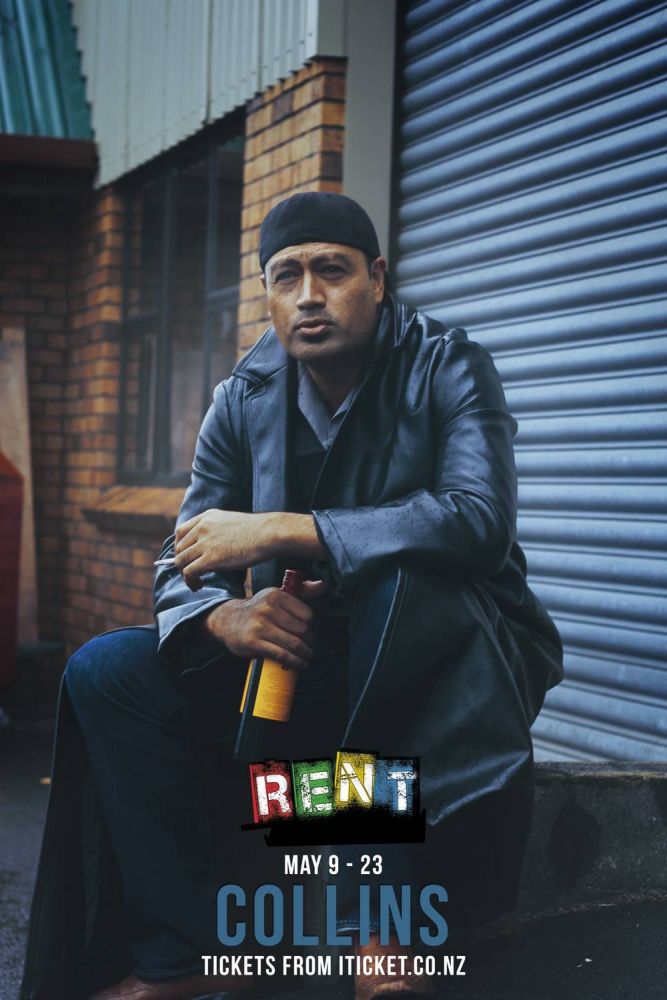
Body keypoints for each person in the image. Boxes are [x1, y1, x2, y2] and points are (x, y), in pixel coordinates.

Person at [20, 193, 563, 1000]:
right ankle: (186, 952)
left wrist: (284, 529)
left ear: (376, 278)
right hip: (298, 664)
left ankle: (380, 930)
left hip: (448, 666)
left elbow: (477, 522)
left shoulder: (448, 363)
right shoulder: (242, 397)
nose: (309, 295)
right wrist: (226, 616)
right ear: (267, 294)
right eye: (287, 276)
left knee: (393, 590)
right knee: (107, 671)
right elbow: (184, 555)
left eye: (331, 271)